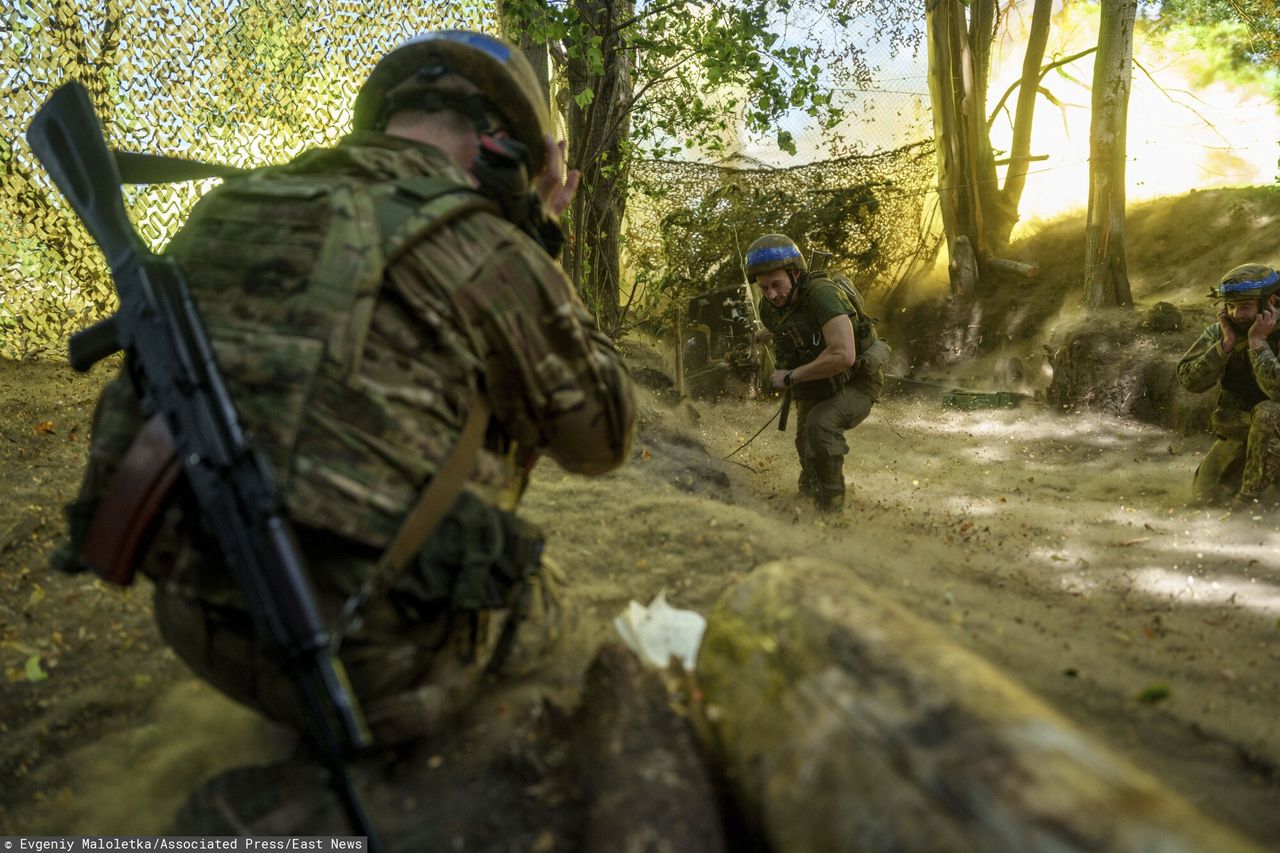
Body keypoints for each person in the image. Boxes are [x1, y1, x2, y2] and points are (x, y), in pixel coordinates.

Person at [61, 30, 636, 746]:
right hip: (380, 664)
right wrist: (540, 243)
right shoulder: (485, 246)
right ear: (504, 151)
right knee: (563, 618)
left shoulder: (230, 205)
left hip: (198, 621)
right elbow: (602, 440)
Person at [748, 234, 889, 512]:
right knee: (804, 442)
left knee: (820, 428)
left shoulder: (822, 295)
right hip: (818, 383)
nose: (771, 294)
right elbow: (792, 331)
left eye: (777, 284)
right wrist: (769, 333)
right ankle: (809, 495)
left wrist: (790, 377)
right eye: (764, 288)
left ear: (795, 273)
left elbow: (842, 355)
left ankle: (831, 512)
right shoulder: (770, 308)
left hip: (856, 381)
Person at [1176, 262, 1280, 508]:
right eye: (1231, 307)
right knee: (1204, 498)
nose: (1237, 315)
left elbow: (1277, 391)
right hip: (1240, 434)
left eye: (1245, 307)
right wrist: (1224, 348)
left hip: (1275, 432)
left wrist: (1258, 343)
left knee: (1269, 411)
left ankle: (1248, 502)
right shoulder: (1221, 333)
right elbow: (1190, 381)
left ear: (1271, 302)